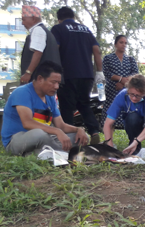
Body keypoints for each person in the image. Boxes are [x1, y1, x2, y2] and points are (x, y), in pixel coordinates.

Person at [2, 61, 88, 156]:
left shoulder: (50, 97)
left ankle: (42, 153)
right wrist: (56, 131)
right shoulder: (22, 92)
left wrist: (78, 129)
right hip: (17, 140)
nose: (56, 87)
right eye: (53, 82)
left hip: (46, 138)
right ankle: (63, 153)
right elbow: (27, 123)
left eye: (58, 83)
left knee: (81, 137)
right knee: (40, 134)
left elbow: (61, 125)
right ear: (40, 79)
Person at [51, 6, 104, 145]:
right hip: (87, 74)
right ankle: (94, 131)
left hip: (67, 74)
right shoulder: (86, 29)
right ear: (73, 17)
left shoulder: (58, 28)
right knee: (84, 104)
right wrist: (99, 71)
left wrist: (52, 69)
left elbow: (54, 48)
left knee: (66, 106)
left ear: (59, 19)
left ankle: (70, 137)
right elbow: (96, 50)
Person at [103, 75, 145, 156]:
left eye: (138, 95)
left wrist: (136, 141)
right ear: (128, 90)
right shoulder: (122, 95)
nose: (134, 98)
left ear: (144, 93)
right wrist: (109, 146)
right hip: (134, 125)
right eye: (132, 94)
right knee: (132, 117)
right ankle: (135, 148)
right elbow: (108, 123)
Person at [101, 35, 140, 127]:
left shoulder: (130, 59)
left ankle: (132, 138)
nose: (124, 45)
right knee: (110, 114)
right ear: (115, 44)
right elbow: (106, 72)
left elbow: (135, 73)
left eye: (125, 43)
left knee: (129, 114)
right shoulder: (108, 58)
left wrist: (124, 84)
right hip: (112, 90)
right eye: (121, 42)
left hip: (127, 90)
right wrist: (120, 79)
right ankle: (109, 139)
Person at [19, 5, 61, 85]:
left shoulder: (38, 30)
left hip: (40, 80)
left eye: (24, 19)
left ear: (33, 18)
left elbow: (38, 52)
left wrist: (28, 73)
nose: (22, 23)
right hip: (47, 79)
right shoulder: (46, 32)